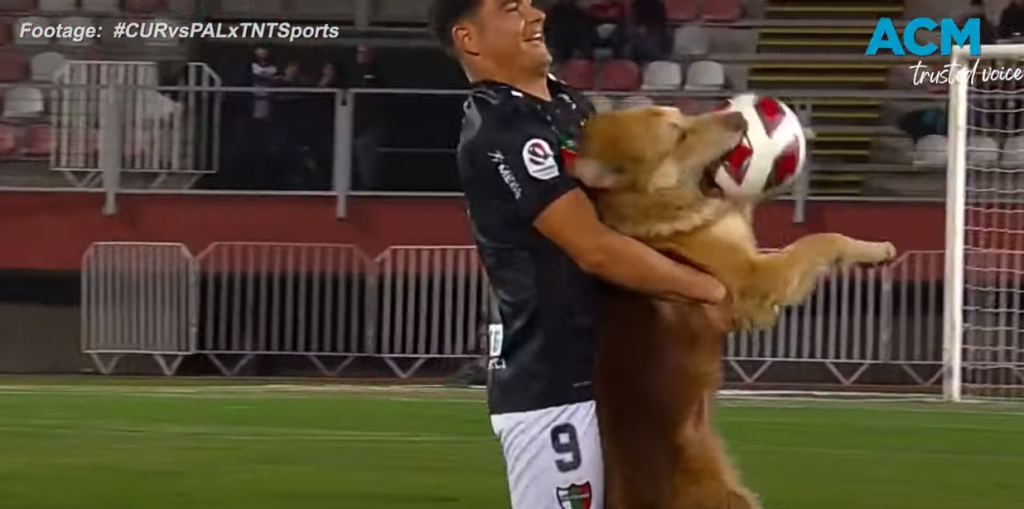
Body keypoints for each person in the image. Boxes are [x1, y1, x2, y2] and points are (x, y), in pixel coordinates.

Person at [429, 1, 733, 508]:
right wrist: (707, 288)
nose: (535, 14)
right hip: (551, 382)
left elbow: (630, 209)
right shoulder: (500, 129)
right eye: (510, 7)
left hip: (611, 372)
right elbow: (593, 247)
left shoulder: (570, 106)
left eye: (530, 2)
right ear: (469, 39)